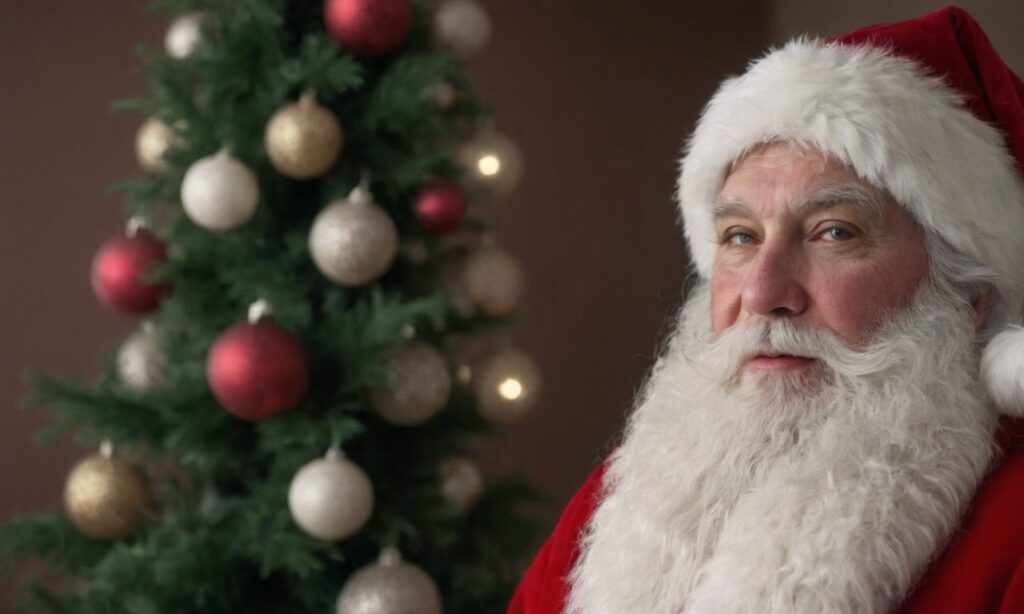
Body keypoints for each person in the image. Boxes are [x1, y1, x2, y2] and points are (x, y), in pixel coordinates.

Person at [508, 7, 1024, 613]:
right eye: (740, 237)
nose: (761, 293)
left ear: (969, 297)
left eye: (834, 233)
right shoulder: (623, 497)